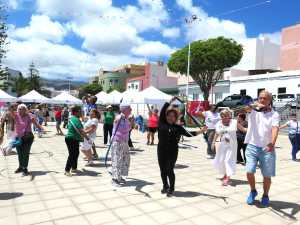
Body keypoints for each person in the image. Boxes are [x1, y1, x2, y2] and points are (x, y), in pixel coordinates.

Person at [157, 97, 206, 197]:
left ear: (176, 118)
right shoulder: (162, 123)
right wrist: (169, 101)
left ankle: (171, 188)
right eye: (169, 116)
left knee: (169, 170)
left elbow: (189, 134)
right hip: (161, 151)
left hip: (172, 152)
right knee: (162, 170)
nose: (170, 118)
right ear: (166, 116)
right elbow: (163, 111)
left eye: (173, 116)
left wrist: (201, 131)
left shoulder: (178, 127)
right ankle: (165, 185)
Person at [244, 90, 279, 207]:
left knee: (267, 176)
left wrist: (272, 143)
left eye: (265, 98)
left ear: (269, 101)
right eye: (260, 98)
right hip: (252, 146)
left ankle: (265, 195)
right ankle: (253, 191)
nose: (262, 100)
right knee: (249, 171)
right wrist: (251, 105)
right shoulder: (254, 110)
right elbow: (246, 109)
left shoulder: (274, 114)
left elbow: (275, 129)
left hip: (266, 148)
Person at [212, 109, 245, 186]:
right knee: (222, 160)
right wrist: (213, 142)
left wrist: (253, 130)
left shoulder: (234, 122)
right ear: (221, 116)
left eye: (227, 115)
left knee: (228, 160)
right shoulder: (218, 123)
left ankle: (228, 177)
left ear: (229, 115)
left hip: (231, 145)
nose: (226, 117)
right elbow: (217, 133)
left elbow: (243, 129)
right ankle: (225, 174)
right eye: (223, 116)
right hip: (221, 144)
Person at [13, 104, 43, 176]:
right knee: (19, 153)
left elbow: (36, 123)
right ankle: (20, 167)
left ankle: (25, 168)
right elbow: (8, 113)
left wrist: (40, 128)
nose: (20, 110)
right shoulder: (16, 115)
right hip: (18, 137)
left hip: (28, 137)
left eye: (22, 109)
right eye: (19, 109)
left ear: (25, 110)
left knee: (25, 153)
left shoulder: (29, 115)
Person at [64, 106, 90, 176]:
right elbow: (81, 131)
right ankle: (67, 170)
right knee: (72, 154)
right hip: (71, 139)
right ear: (76, 112)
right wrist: (88, 138)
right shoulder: (75, 119)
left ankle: (74, 168)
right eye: (80, 111)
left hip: (73, 139)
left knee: (76, 153)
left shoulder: (74, 118)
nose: (81, 112)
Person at [111, 104, 132, 186]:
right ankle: (115, 179)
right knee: (117, 159)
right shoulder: (119, 117)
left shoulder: (126, 119)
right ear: (124, 110)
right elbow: (116, 122)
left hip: (124, 141)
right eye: (129, 108)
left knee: (125, 159)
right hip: (118, 141)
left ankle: (119, 176)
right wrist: (118, 119)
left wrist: (131, 123)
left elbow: (127, 129)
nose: (131, 110)